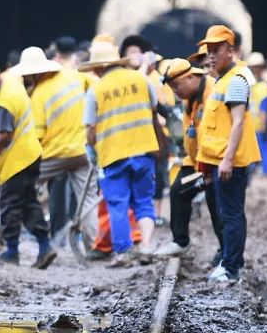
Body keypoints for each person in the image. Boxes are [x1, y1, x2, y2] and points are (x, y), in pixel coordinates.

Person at [79, 41, 166, 267]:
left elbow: (90, 129)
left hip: (113, 155)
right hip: (144, 151)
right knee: (144, 202)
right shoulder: (141, 80)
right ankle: (146, 246)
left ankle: (123, 252)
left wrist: (92, 150)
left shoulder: (96, 90)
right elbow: (154, 112)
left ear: (99, 67)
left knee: (118, 205)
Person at [0, 57, 55, 268]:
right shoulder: (12, 84)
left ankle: (12, 251)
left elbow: (5, 136)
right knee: (28, 202)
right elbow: (9, 120)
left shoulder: (4, 102)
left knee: (9, 204)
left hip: (18, 159)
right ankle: (45, 247)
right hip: (31, 155)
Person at [195, 26, 261, 283]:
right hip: (218, 158)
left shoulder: (235, 80)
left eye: (217, 50)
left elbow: (238, 123)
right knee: (227, 213)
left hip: (228, 160)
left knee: (231, 214)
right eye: (208, 51)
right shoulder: (222, 80)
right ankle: (230, 261)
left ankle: (231, 268)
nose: (211, 56)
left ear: (230, 50)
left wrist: (228, 160)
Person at [11, 47, 97, 241]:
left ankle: (36, 233)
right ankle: (94, 244)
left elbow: (37, 137)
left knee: (21, 185)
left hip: (55, 156)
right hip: (82, 152)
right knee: (88, 200)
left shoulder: (39, 95)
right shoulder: (74, 76)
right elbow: (96, 86)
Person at [154, 59, 221, 261]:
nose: (175, 91)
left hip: (214, 160)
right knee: (178, 190)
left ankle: (226, 252)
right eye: (171, 87)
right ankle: (180, 241)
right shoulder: (188, 99)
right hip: (195, 160)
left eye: (176, 86)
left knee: (216, 204)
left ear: (191, 77)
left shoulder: (213, 92)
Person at [120, 34, 173, 224]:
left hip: (149, 140)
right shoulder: (122, 79)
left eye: (139, 53)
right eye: (132, 52)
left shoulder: (152, 81)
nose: (136, 56)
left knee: (151, 183)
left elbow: (161, 107)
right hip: (124, 141)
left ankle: (145, 221)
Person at [247, 52, 267, 175]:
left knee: (263, 150)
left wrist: (263, 124)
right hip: (254, 126)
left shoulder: (260, 87)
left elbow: (264, 108)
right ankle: (264, 172)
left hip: (258, 125)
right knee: (263, 150)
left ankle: (265, 173)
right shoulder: (258, 86)